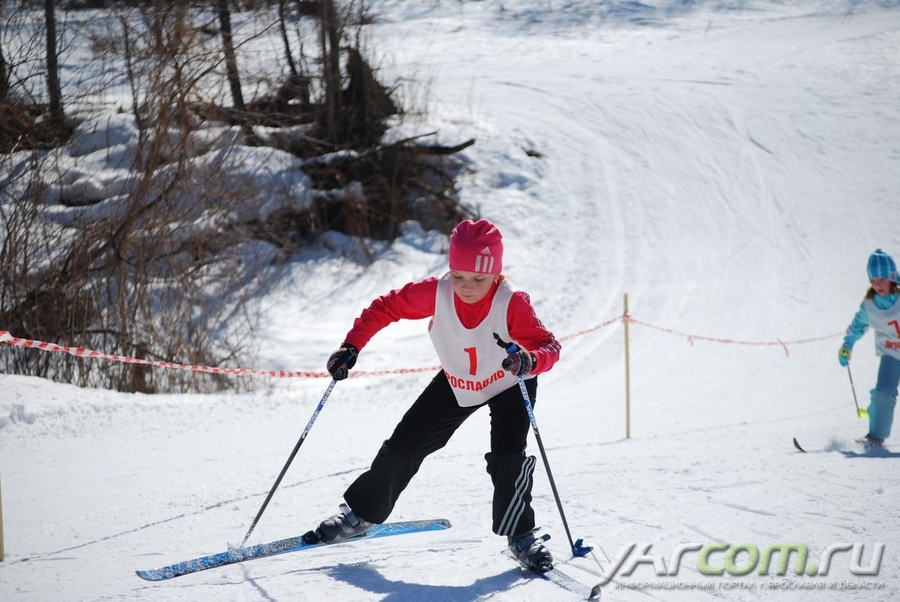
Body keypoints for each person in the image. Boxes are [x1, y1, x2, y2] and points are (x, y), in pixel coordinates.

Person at [311, 218, 562, 572]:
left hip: (509, 380)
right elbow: (386, 308)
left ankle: (521, 536)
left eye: (478, 279)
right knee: (403, 447)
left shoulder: (512, 303)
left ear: (496, 275)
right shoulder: (437, 292)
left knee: (509, 458)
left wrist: (531, 360)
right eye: (458, 275)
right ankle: (362, 516)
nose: (467, 287)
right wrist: (351, 346)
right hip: (458, 380)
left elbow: (548, 345)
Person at [839, 248, 900, 448]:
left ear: (892, 277)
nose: (877, 284)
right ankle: (876, 437)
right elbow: (858, 326)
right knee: (882, 393)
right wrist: (847, 346)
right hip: (892, 354)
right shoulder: (870, 304)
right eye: (873, 280)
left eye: (881, 279)